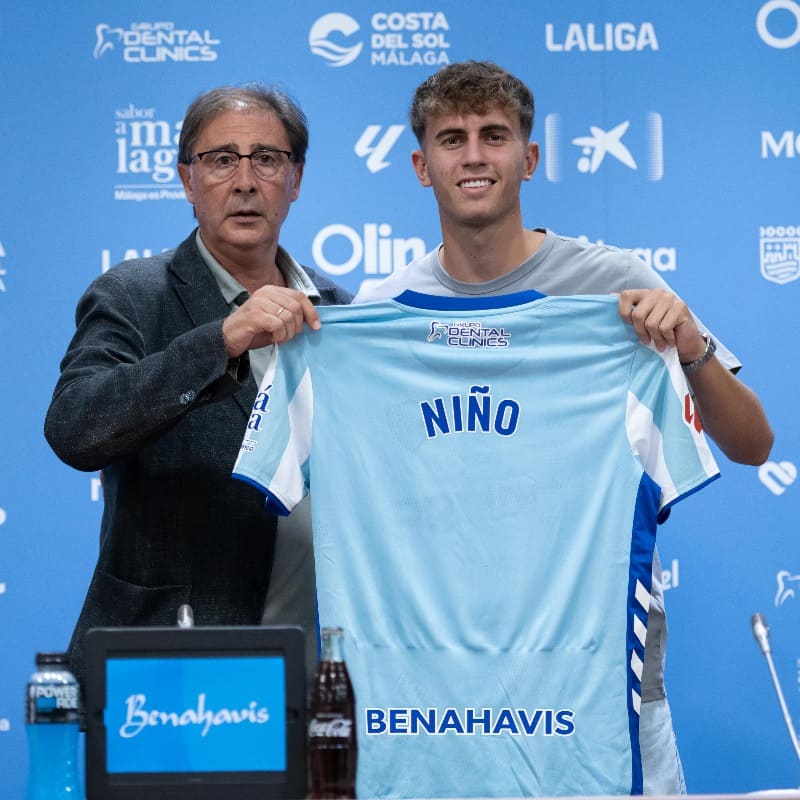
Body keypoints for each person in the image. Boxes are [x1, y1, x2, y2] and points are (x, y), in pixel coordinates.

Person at [353, 61, 773, 794]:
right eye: (452, 139)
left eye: (495, 135)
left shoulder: (618, 282)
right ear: (422, 167)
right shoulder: (384, 310)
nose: (475, 155)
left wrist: (692, 346)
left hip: (606, 675)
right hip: (443, 691)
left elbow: (753, 444)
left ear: (531, 157)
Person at [44, 84, 351, 693]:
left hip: (308, 676)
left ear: (296, 179)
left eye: (267, 158)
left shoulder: (337, 311)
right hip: (165, 671)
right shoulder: (133, 295)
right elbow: (76, 427)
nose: (244, 180)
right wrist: (221, 341)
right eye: (220, 159)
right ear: (188, 180)